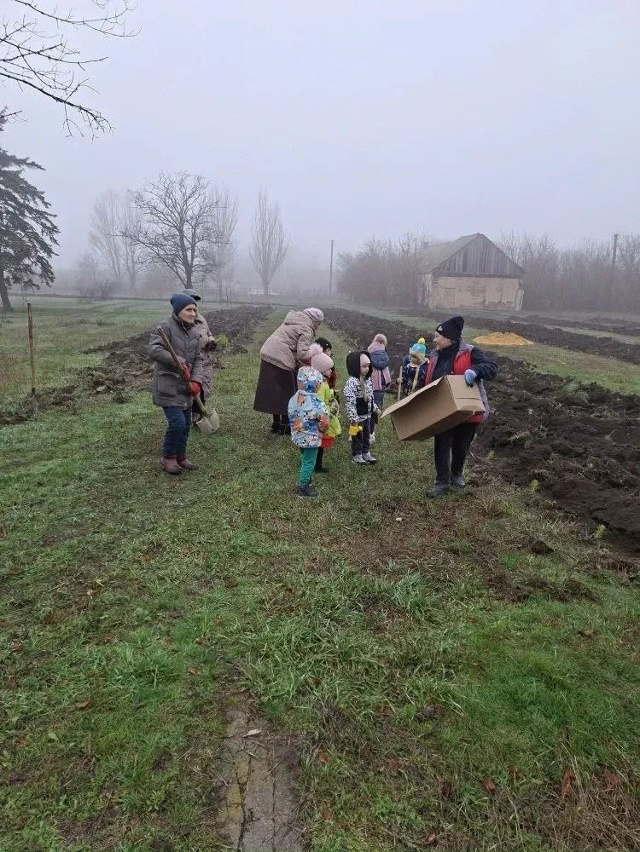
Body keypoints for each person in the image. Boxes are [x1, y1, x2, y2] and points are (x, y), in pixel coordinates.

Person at [424, 315, 498, 497]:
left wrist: (475, 370)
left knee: (461, 444)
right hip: (442, 409)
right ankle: (441, 481)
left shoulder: (471, 352)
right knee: (441, 444)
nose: (434, 340)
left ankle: (457, 474)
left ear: (448, 337)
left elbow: (491, 367)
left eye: (437, 336)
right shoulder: (435, 356)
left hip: (467, 411)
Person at [149, 293, 204, 474]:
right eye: (189, 309)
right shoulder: (166, 328)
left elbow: (198, 360)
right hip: (169, 385)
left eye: (195, 310)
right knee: (177, 423)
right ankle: (168, 457)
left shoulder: (195, 332)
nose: (193, 313)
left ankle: (181, 457)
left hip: (186, 387)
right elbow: (154, 349)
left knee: (186, 424)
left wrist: (196, 380)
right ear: (178, 310)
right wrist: (177, 361)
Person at [254, 308, 324, 434]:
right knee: (287, 393)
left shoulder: (294, 319)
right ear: (314, 321)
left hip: (268, 352)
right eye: (318, 324)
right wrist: (314, 352)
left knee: (274, 392)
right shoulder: (306, 328)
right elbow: (302, 354)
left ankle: (276, 424)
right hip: (282, 358)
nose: (317, 327)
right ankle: (286, 426)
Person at [288, 366, 329, 497]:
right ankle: (303, 487)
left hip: (299, 435)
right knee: (309, 461)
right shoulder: (315, 402)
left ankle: (307, 478)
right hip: (311, 437)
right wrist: (325, 425)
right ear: (314, 384)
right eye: (319, 383)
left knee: (304, 458)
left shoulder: (295, 397)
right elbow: (323, 419)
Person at [182, 288, 217, 421]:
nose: (194, 306)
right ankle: (192, 415)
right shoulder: (183, 322)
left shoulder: (201, 319)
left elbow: (208, 333)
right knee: (192, 390)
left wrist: (212, 341)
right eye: (191, 302)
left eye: (195, 302)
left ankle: (199, 414)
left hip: (205, 360)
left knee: (203, 389)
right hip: (191, 362)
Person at [310, 347, 342, 473]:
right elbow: (319, 402)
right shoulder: (321, 385)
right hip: (321, 418)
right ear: (321, 370)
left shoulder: (322, 383)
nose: (331, 371)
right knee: (319, 443)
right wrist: (328, 412)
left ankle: (316, 465)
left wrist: (332, 392)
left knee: (319, 443)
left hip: (322, 416)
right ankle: (316, 466)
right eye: (329, 369)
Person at [344, 351, 378, 465]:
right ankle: (357, 455)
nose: (367, 369)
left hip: (367, 414)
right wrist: (353, 418)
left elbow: (370, 396)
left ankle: (365, 452)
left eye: (368, 366)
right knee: (357, 436)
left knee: (367, 435)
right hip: (357, 416)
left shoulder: (367, 380)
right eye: (364, 366)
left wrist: (374, 408)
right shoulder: (352, 382)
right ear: (355, 366)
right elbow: (350, 401)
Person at [367, 333, 392, 444]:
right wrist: (387, 383)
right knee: (375, 410)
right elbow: (386, 373)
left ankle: (362, 432)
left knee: (365, 409)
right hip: (380, 386)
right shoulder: (385, 355)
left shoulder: (369, 352)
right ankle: (372, 434)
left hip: (370, 385)